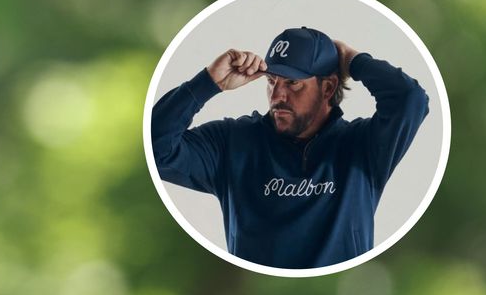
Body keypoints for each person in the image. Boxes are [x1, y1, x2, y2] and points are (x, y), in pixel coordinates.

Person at [150, 27, 429, 269]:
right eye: (272, 81)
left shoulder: (363, 146)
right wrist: (208, 83)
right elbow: (155, 150)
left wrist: (354, 61)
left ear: (328, 87)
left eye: (293, 83)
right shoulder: (232, 142)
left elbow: (411, 100)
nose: (277, 95)